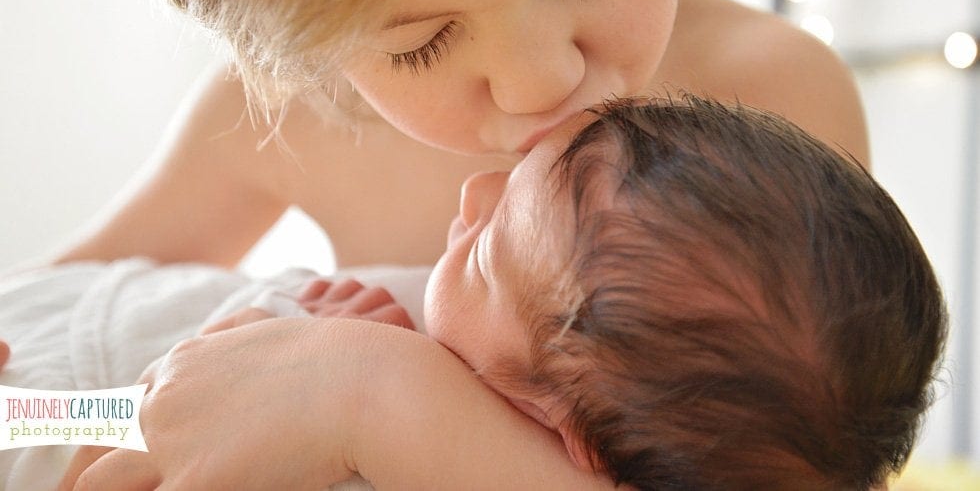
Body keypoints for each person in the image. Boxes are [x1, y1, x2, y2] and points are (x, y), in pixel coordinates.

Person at [7, 0, 870, 484]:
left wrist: (376, 398)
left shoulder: (774, 99)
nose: (541, 83)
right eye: (421, 44)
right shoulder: (279, 110)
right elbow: (59, 310)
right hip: (125, 406)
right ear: (301, 47)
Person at [61, 97, 945, 490]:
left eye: (484, 256)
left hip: (80, 400)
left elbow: (141, 423)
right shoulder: (515, 352)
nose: (471, 195)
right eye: (517, 174)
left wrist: (284, 340)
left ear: (561, 428)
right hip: (78, 328)